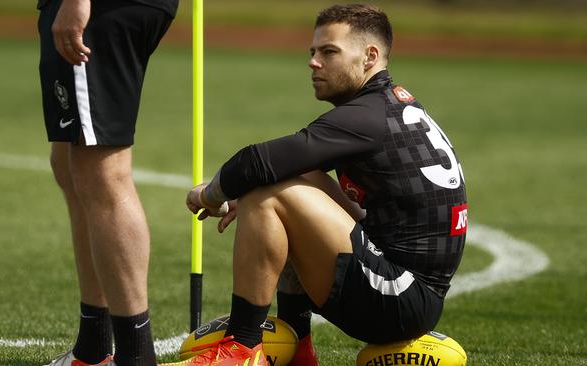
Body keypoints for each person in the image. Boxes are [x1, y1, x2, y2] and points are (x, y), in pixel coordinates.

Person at [181, 4, 468, 366]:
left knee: (265, 191)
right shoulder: (387, 105)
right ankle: (299, 350)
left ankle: (240, 350)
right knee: (286, 178)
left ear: (370, 57)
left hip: (398, 299)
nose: (314, 62)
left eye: (329, 52)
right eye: (313, 52)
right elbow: (288, 168)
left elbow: (255, 161)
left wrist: (211, 195)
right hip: (410, 290)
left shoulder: (365, 117)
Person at [37, 0, 178, 365]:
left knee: (102, 172)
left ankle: (136, 357)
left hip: (101, 7)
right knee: (68, 165)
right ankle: (93, 347)